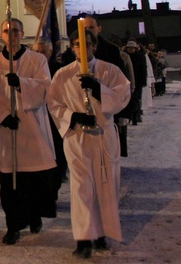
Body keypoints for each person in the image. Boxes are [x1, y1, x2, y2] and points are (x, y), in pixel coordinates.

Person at [47, 29, 131, 259]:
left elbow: (123, 95)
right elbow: (53, 103)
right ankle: (83, 237)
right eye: (76, 44)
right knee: (82, 187)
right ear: (72, 47)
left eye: (87, 44)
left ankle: (102, 232)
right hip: (78, 137)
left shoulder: (109, 70)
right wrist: (73, 117)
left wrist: (99, 90)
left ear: (95, 46)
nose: (82, 49)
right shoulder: (63, 75)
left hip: (103, 136)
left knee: (105, 185)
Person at [0, 19, 56, 245]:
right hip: (6, 131)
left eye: (15, 30)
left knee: (32, 180)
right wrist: (3, 117)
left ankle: (34, 216)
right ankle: (12, 224)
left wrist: (22, 82)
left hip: (31, 129)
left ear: (22, 33)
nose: (11, 34)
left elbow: (45, 88)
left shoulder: (37, 59)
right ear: (1, 35)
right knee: (9, 182)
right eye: (6, 31)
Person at [79, 16, 132, 156]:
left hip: (108, 107)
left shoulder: (111, 51)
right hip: (81, 108)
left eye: (91, 27)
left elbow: (122, 82)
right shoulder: (73, 52)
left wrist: (125, 112)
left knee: (109, 151)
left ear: (99, 29)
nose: (87, 31)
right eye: (84, 29)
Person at [32, 38, 68, 195]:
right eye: (37, 52)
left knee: (57, 156)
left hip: (55, 120)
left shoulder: (60, 70)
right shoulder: (29, 70)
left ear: (51, 52)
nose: (40, 55)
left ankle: (53, 190)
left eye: (43, 52)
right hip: (35, 118)